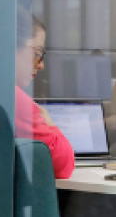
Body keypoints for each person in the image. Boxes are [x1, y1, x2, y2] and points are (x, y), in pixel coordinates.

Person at [15, 11, 74, 179]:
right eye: (37, 54)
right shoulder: (13, 100)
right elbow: (63, 165)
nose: (40, 66)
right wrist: (50, 123)